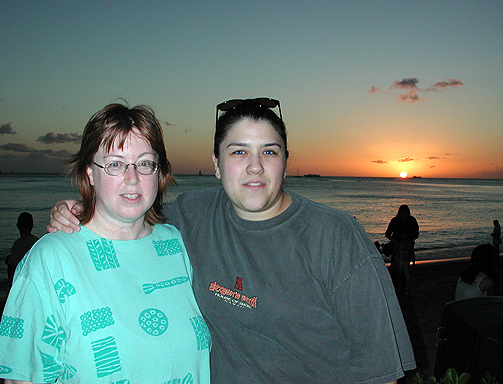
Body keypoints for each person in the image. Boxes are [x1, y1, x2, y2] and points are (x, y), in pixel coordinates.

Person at [46, 98, 415, 383]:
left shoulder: (335, 238)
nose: (255, 166)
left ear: (286, 161)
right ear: (217, 163)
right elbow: (133, 211)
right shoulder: (194, 213)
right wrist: (81, 209)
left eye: (269, 151)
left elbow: (382, 372)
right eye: (239, 152)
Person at [0, 103, 210, 383]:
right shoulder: (51, 259)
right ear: (90, 174)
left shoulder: (177, 245)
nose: (132, 178)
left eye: (144, 163)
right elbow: (24, 377)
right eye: (115, 164)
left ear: (159, 172)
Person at [385, 204, 419, 296]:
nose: (404, 214)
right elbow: (387, 234)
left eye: (406, 212)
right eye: (402, 212)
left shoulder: (412, 221)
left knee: (405, 271)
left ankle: (403, 291)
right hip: (396, 249)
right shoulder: (395, 221)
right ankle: (395, 290)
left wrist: (410, 240)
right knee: (395, 270)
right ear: (399, 212)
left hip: (407, 249)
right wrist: (394, 240)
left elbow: (416, 233)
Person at [5, 212, 39, 287]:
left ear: (18, 225)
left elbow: (12, 267)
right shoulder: (37, 242)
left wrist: (11, 285)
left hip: (22, 283)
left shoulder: (18, 244)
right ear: (32, 225)